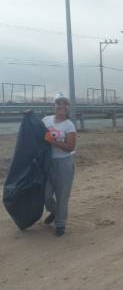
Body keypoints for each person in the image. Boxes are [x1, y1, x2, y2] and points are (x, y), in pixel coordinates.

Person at [42, 93, 77, 236]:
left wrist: (53, 142)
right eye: (58, 103)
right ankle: (56, 211)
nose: (61, 106)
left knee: (62, 195)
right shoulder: (45, 120)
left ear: (68, 107)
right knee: (45, 194)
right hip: (46, 162)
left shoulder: (69, 125)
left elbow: (70, 147)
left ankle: (60, 224)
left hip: (63, 163)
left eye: (65, 104)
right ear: (54, 106)